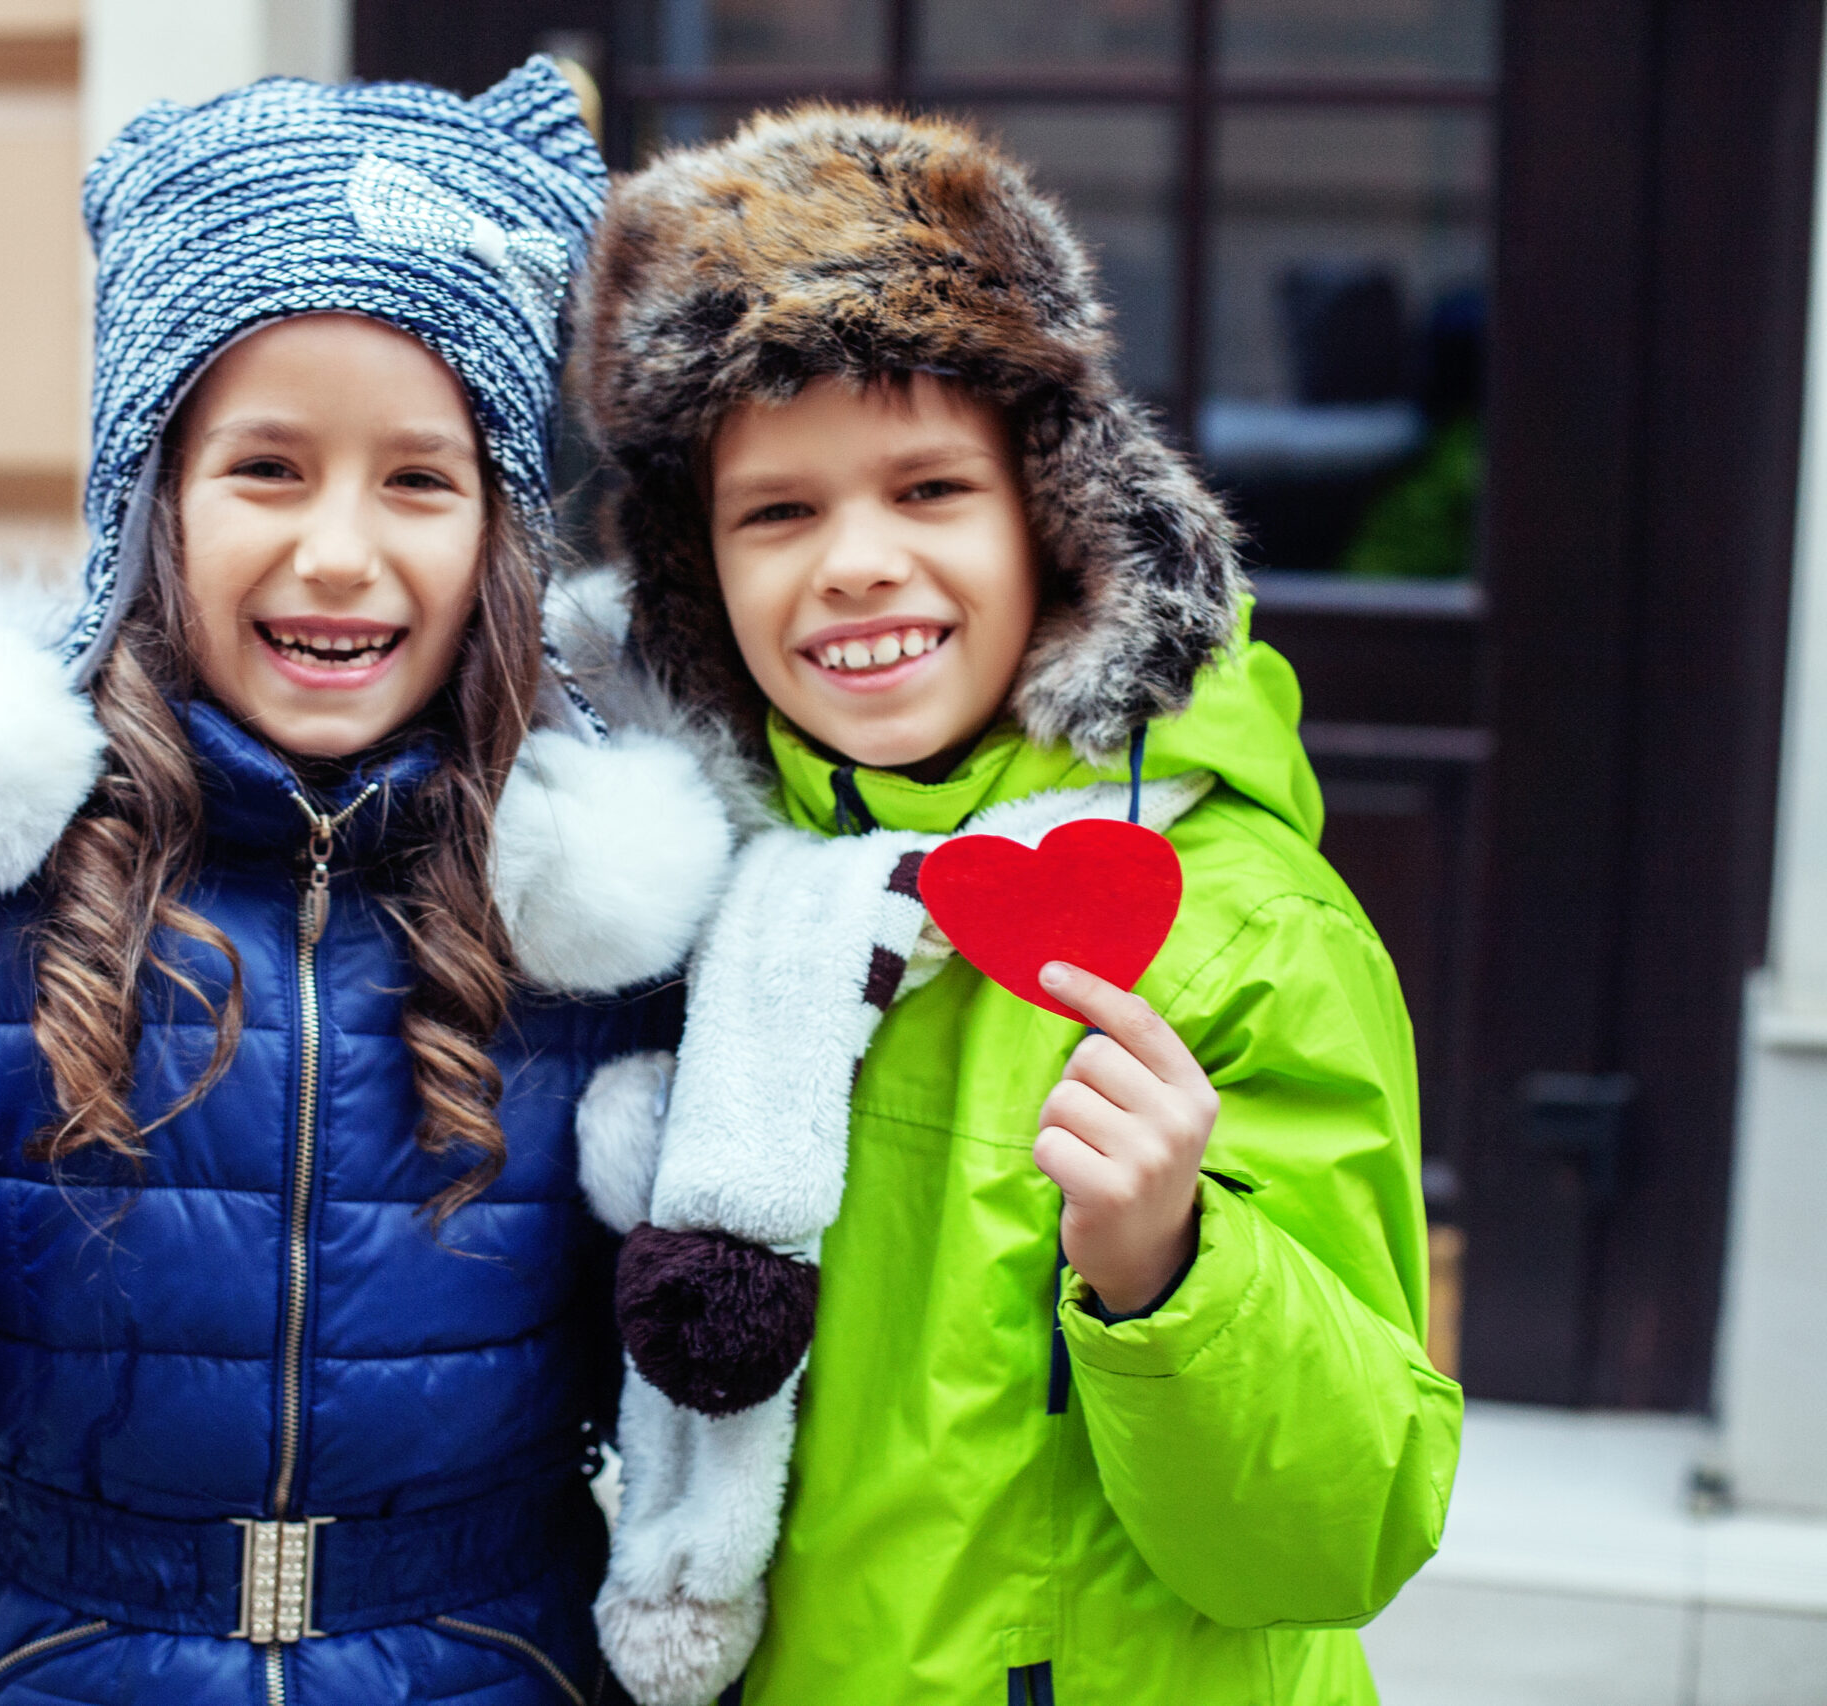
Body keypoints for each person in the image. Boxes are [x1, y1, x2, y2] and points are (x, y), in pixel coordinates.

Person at [0, 63, 738, 1706]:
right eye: (267, 468)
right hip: (67, 1657)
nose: (341, 549)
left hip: (496, 1661)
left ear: (501, 528)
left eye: (418, 478)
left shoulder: (597, 930)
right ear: (151, 502)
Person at [570, 107, 1463, 1705]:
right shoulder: (692, 898)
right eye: (779, 512)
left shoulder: (1242, 924)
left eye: (927, 490)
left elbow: (1342, 1530)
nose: (855, 563)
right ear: (699, 575)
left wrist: (1171, 1269)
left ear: (1053, 523)